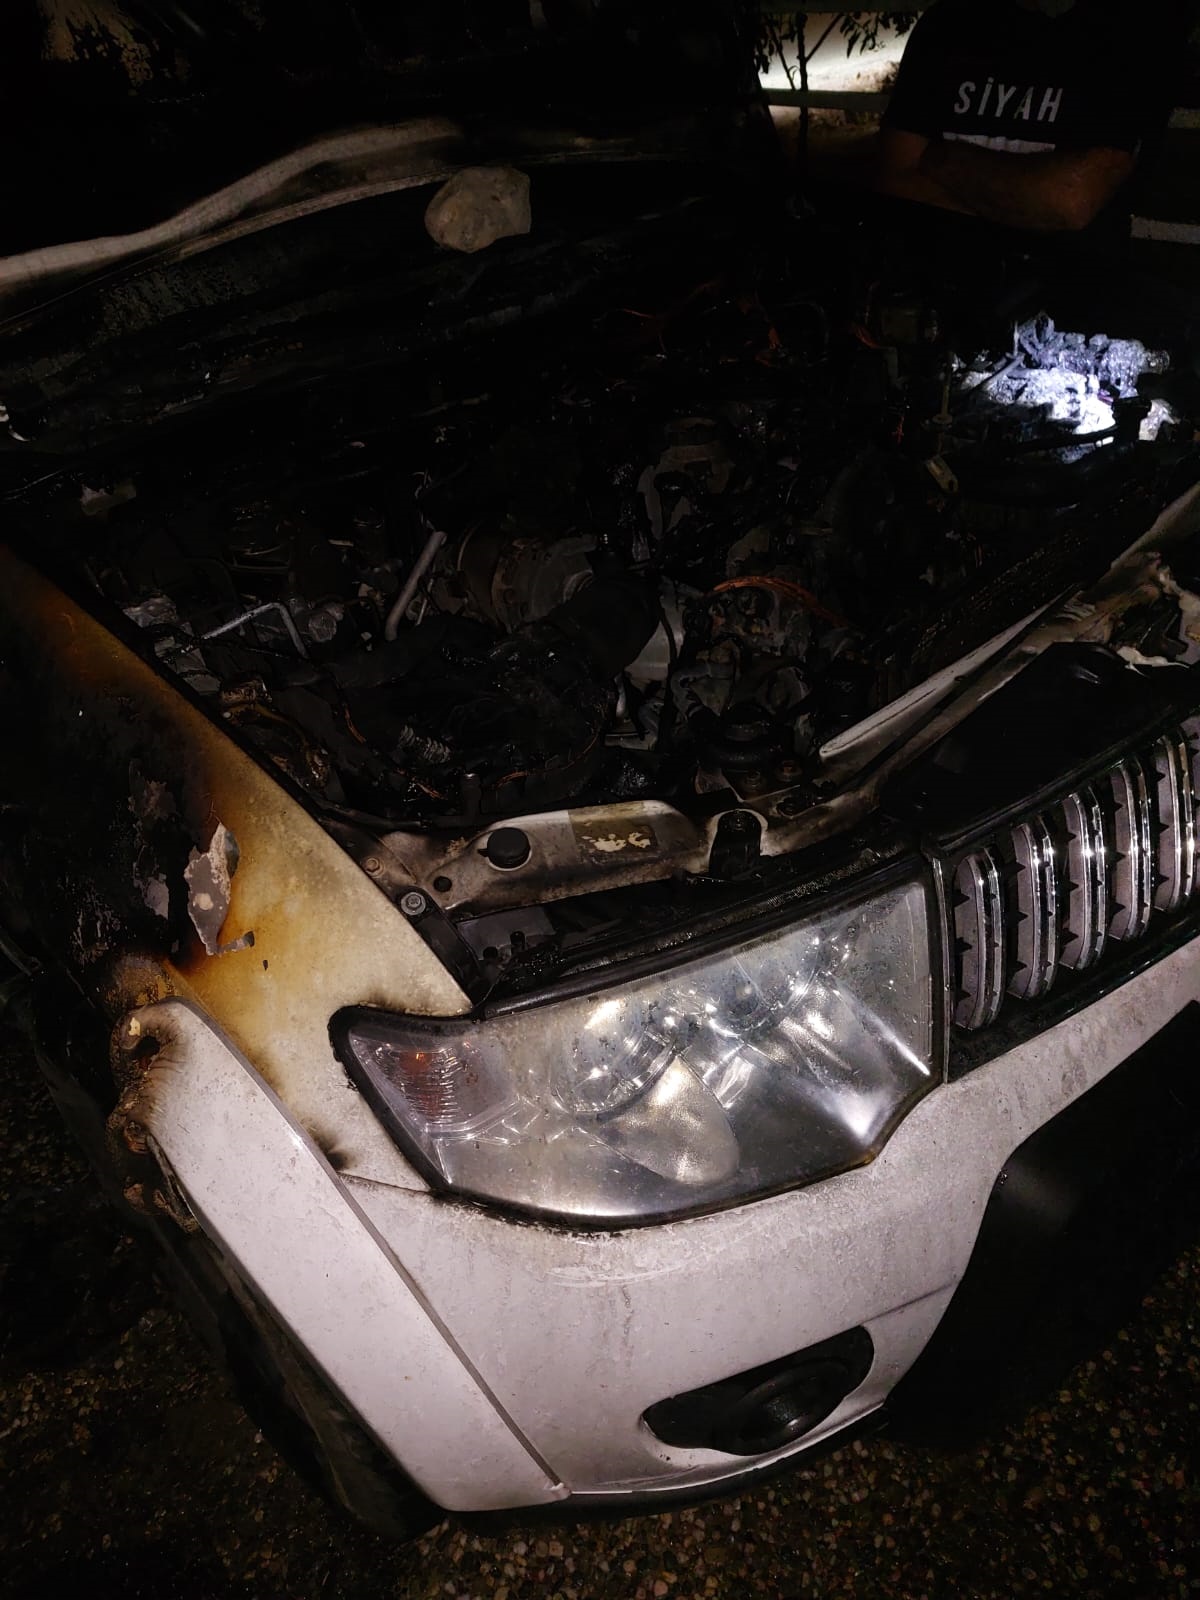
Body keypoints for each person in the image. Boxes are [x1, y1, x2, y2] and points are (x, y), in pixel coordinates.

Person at [874, 0, 1176, 237]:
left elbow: (1071, 200)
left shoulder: (1126, 31)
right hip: (938, 280)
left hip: (1066, 291)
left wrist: (941, 158)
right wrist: (1024, 203)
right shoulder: (947, 24)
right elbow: (895, 177)